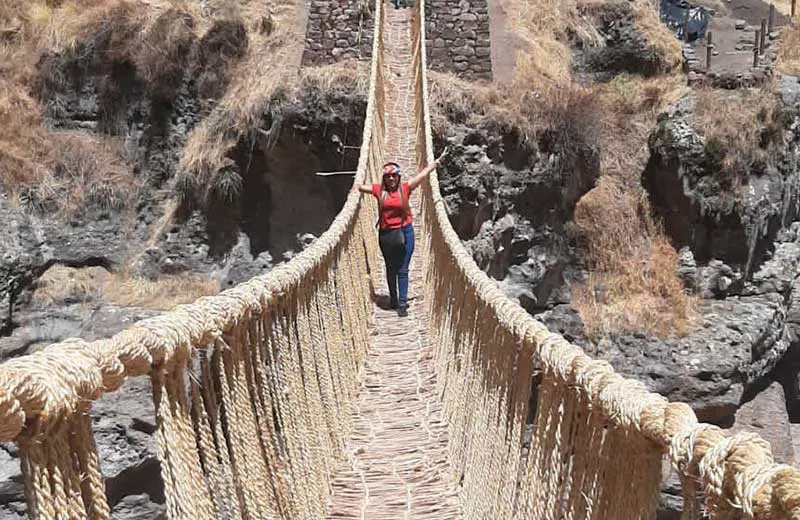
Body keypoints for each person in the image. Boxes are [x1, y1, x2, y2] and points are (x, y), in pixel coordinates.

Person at [352, 150, 446, 316]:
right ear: (384, 178)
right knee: (390, 267)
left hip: (405, 232)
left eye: (394, 176)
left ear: (398, 177)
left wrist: (436, 163)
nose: (391, 179)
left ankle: (402, 304)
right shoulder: (378, 190)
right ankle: (393, 299)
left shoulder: (405, 188)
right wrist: (355, 187)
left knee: (403, 268)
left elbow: (422, 175)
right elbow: (360, 187)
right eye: (388, 177)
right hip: (386, 234)